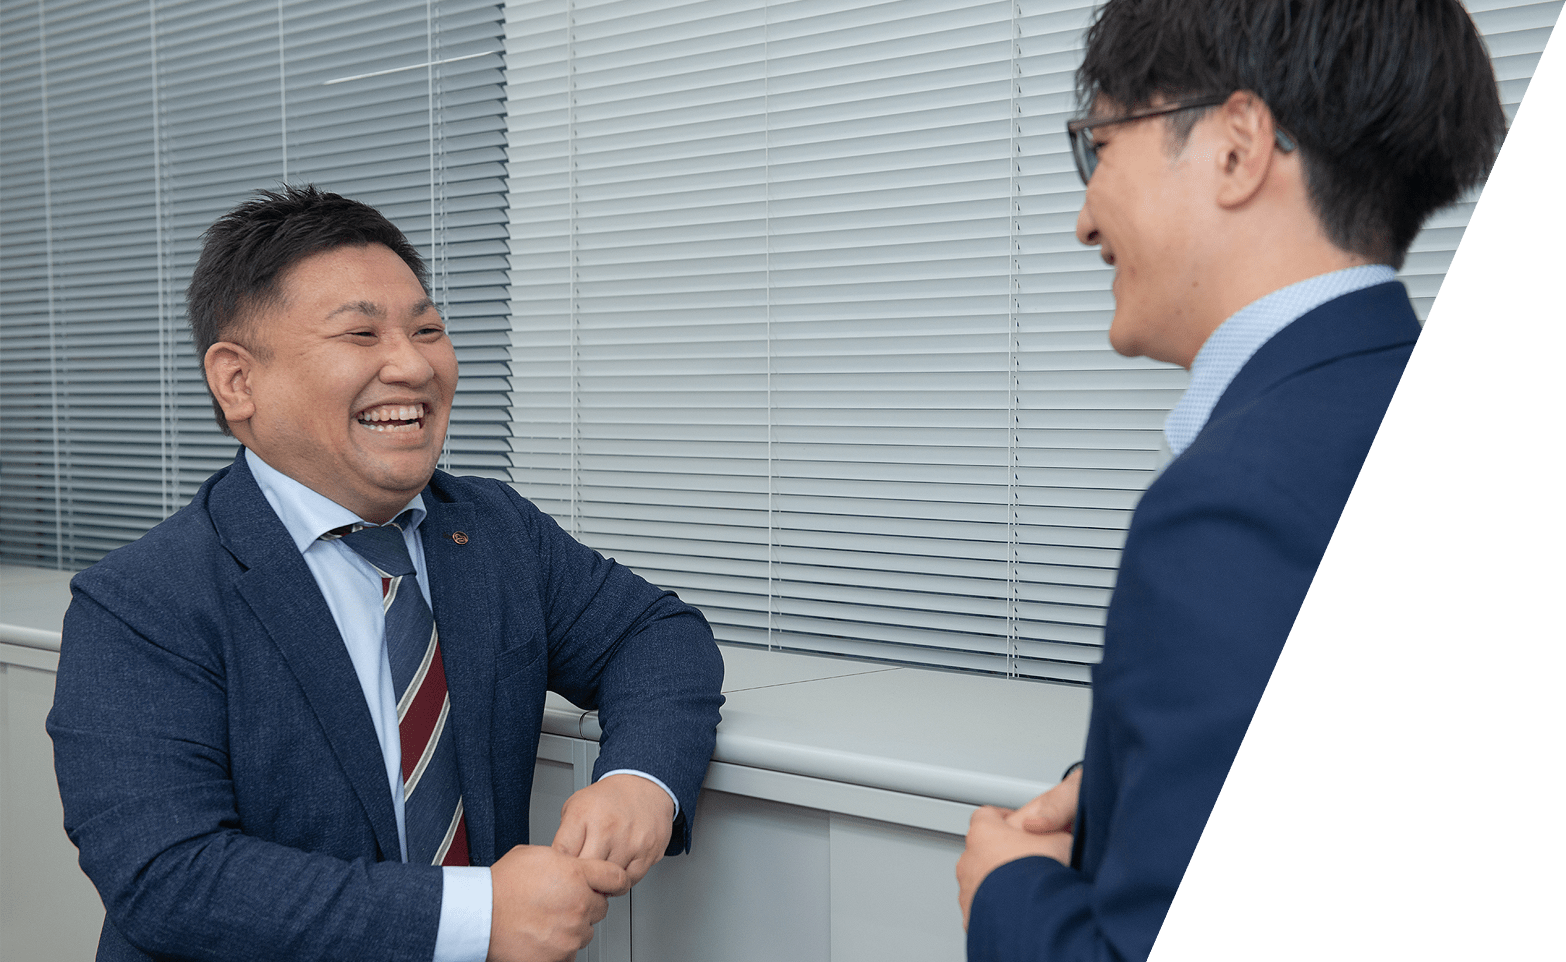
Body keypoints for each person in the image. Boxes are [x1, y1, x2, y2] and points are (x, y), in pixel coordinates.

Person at [48, 185, 725, 962]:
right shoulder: (141, 601)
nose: (413, 364)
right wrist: (474, 916)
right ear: (238, 381)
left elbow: (652, 634)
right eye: (361, 333)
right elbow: (169, 879)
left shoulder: (491, 528)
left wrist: (642, 781)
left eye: (428, 329)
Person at [956, 0, 1505, 958]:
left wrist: (1007, 892)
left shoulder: (1232, 506)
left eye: (1099, 148)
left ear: (1238, 146)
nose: (1084, 222)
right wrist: (1139, 789)